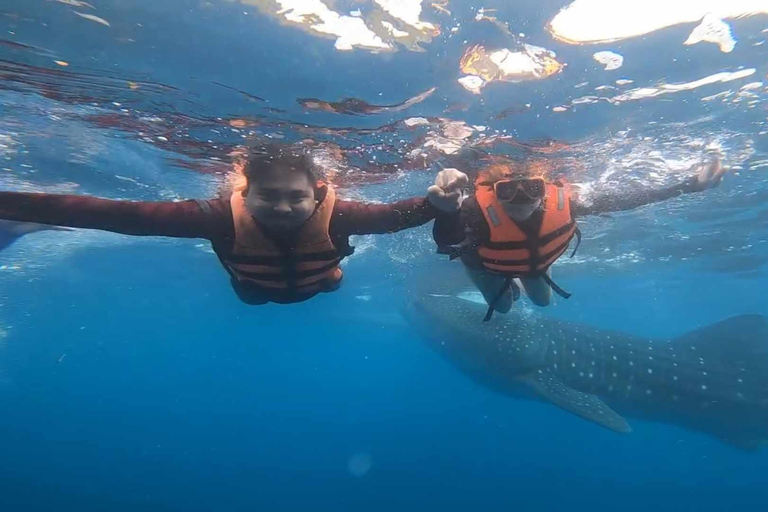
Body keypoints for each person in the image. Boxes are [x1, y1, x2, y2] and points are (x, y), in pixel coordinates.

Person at [0, 144, 438, 305]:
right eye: (268, 196)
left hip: (318, 281)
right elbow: (119, 216)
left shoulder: (342, 214)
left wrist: (438, 200)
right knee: (250, 295)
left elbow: (397, 217)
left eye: (296, 197)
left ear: (318, 194)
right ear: (245, 192)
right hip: (254, 288)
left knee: (331, 283)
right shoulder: (213, 217)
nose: (283, 208)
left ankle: (329, 275)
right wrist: (13, 205)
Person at [427, 157, 727, 321]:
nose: (521, 200)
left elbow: (629, 199)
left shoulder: (567, 203)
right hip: (486, 265)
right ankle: (506, 285)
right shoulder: (475, 210)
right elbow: (445, 245)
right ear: (494, 190)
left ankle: (522, 279)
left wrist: (689, 185)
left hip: (535, 263)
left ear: (545, 188)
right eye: (507, 191)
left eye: (532, 189)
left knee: (544, 304)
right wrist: (447, 212)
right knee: (504, 308)